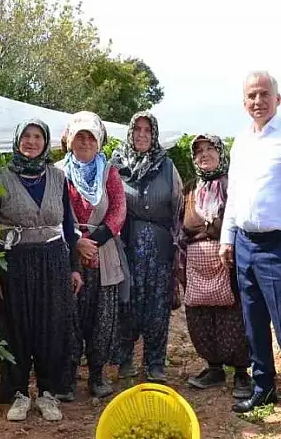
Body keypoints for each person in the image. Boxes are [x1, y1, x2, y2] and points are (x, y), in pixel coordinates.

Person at [221, 71, 281, 427]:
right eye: (251, 96)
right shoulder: (241, 141)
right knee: (253, 320)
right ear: (244, 102)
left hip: (280, 244)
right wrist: (226, 238)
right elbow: (235, 194)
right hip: (245, 242)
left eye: (264, 94)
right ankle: (263, 387)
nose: (257, 101)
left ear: (278, 98)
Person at [0, 119, 84, 423]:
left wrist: (74, 268)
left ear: (46, 142)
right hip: (13, 262)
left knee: (51, 327)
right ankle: (17, 393)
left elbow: (69, 227)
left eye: (38, 136)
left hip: (53, 261)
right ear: (17, 140)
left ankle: (48, 393)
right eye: (26, 136)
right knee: (15, 327)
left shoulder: (58, 177)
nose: (31, 141)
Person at [57, 111, 129, 400]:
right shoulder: (57, 172)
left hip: (105, 251)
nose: (85, 142)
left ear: (99, 141)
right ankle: (69, 375)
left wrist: (92, 242)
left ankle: (97, 374)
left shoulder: (108, 172)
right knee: (70, 314)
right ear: (70, 141)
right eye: (79, 136)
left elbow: (118, 211)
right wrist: (77, 241)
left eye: (91, 136)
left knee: (103, 315)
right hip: (67, 251)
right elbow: (55, 213)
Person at [176, 134, 253, 399]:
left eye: (210, 149)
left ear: (221, 153)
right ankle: (213, 367)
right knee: (201, 319)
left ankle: (242, 372)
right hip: (196, 266)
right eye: (199, 151)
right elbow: (179, 229)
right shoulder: (188, 190)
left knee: (234, 316)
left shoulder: (234, 187)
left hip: (228, 261)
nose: (204, 154)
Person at [110, 111, 184, 384]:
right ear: (130, 133)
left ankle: (155, 363)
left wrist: (176, 246)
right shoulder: (116, 165)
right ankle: (125, 359)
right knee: (126, 302)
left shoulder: (166, 166)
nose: (142, 135)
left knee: (157, 306)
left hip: (160, 249)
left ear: (154, 135)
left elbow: (178, 206)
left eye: (147, 131)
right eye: (137, 129)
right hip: (126, 246)